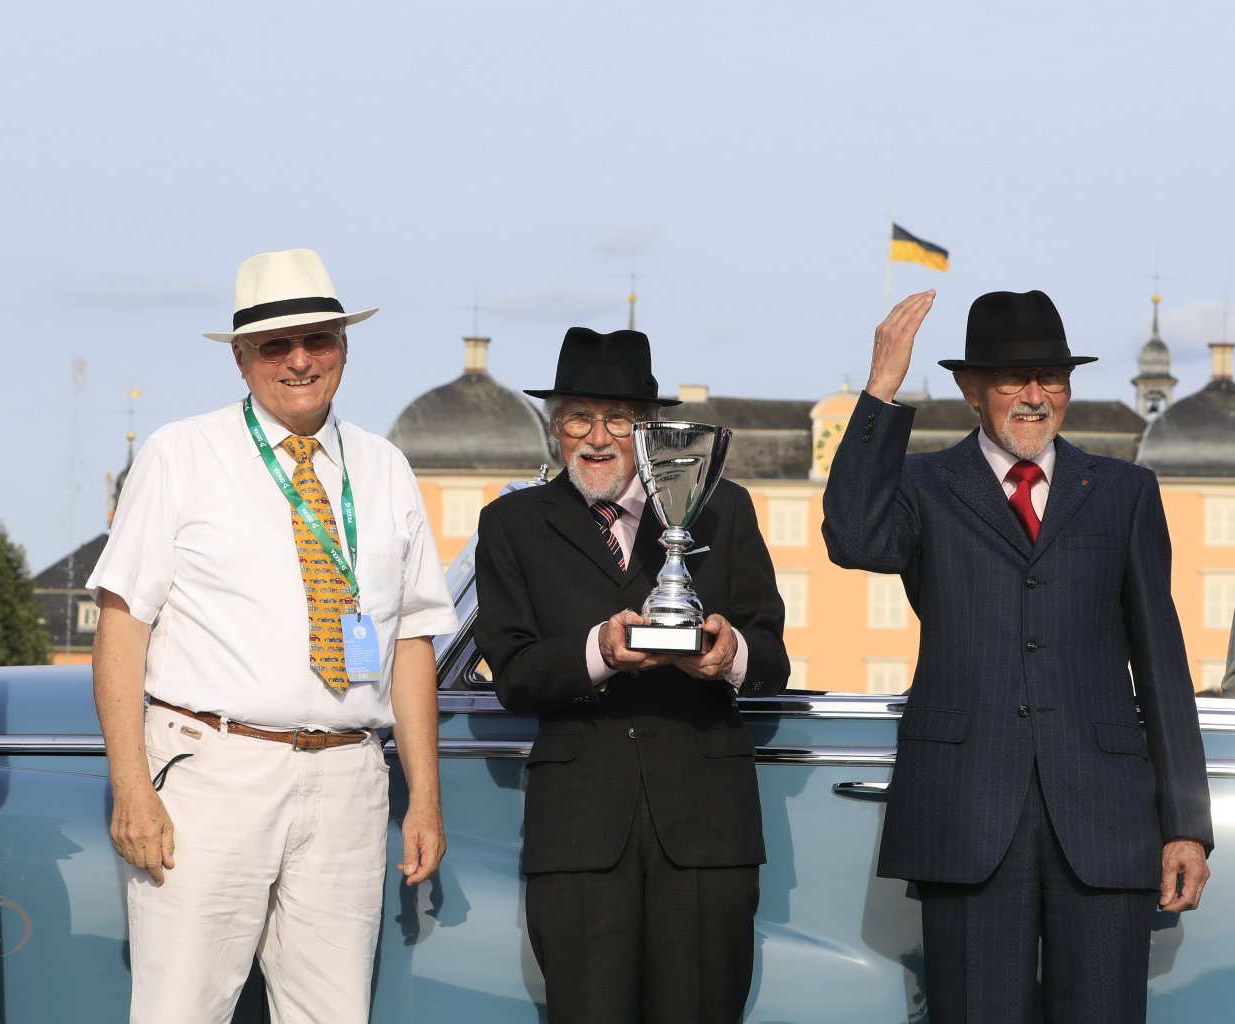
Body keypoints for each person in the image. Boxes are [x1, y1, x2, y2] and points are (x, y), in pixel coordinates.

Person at [88, 248, 459, 1024]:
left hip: (351, 780)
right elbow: (123, 626)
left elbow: (413, 641)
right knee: (180, 1011)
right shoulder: (181, 454)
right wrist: (131, 787)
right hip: (214, 774)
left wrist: (424, 797)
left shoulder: (386, 467)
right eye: (274, 346)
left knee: (333, 1015)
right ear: (240, 357)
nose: (299, 360)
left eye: (318, 339)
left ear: (344, 346)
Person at [822, 289, 1214, 1024]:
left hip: (1107, 816)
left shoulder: (1126, 491)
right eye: (1012, 379)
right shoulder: (921, 485)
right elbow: (851, 538)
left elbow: (1163, 662)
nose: (1036, 396)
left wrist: (1187, 824)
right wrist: (880, 391)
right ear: (972, 389)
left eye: (1052, 378)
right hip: (965, 814)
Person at [473, 327, 790, 1024]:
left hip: (707, 826)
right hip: (579, 831)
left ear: (648, 431)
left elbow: (773, 659)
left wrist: (729, 654)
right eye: (577, 418)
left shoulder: (724, 507)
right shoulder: (509, 523)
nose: (596, 438)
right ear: (553, 429)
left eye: (617, 419)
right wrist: (600, 651)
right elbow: (514, 674)